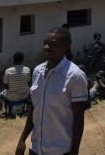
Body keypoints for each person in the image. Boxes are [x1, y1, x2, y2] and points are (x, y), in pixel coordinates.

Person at [16, 27, 89, 155]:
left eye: (53, 44)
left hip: (61, 150)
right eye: (45, 43)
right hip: (36, 148)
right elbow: (34, 107)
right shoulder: (37, 71)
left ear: (65, 47)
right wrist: (22, 139)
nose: (47, 47)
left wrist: (74, 151)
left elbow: (78, 118)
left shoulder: (75, 76)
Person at [0, 51, 31, 117]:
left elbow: (5, 86)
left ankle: (5, 111)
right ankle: (26, 110)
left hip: (11, 97)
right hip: (24, 96)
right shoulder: (27, 70)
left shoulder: (8, 71)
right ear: (22, 60)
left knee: (1, 94)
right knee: (30, 91)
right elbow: (28, 83)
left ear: (13, 60)